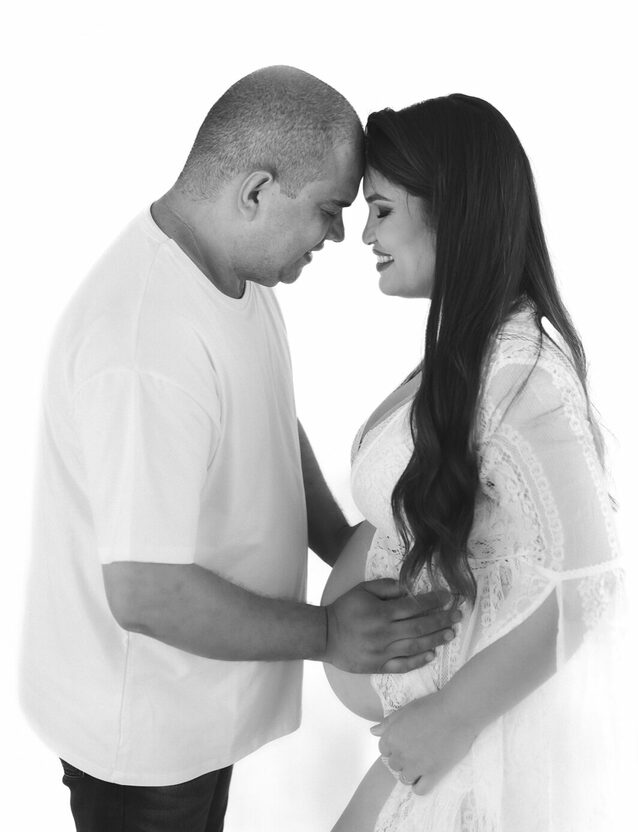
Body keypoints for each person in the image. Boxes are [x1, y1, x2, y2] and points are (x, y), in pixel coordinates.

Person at [19, 67, 460, 832]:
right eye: (329, 209)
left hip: (194, 706)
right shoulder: (145, 345)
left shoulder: (235, 273)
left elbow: (265, 419)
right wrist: (328, 633)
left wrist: (343, 544)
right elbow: (146, 593)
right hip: (143, 743)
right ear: (256, 191)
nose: (339, 236)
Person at [325, 94, 630, 831]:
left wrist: (451, 718)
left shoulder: (520, 374)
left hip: (472, 748)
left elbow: (591, 579)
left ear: (452, 211)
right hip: (438, 739)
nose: (365, 233)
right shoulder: (471, 355)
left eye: (382, 210)